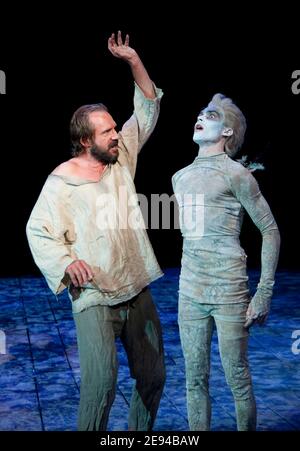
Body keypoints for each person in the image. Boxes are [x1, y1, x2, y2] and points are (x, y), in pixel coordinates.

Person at [26, 31, 165, 431]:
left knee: (154, 378)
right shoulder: (62, 181)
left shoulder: (121, 158)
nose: (116, 134)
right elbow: (39, 231)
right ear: (86, 140)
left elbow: (148, 108)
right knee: (102, 385)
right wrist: (67, 263)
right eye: (107, 132)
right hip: (95, 295)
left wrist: (134, 60)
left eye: (114, 128)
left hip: (135, 286)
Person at [172, 93, 280, 431]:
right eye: (200, 112)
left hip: (229, 291)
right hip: (190, 290)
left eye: (211, 114)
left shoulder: (237, 174)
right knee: (194, 379)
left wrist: (264, 292)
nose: (200, 116)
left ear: (228, 132)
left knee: (237, 378)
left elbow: (271, 230)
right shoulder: (179, 176)